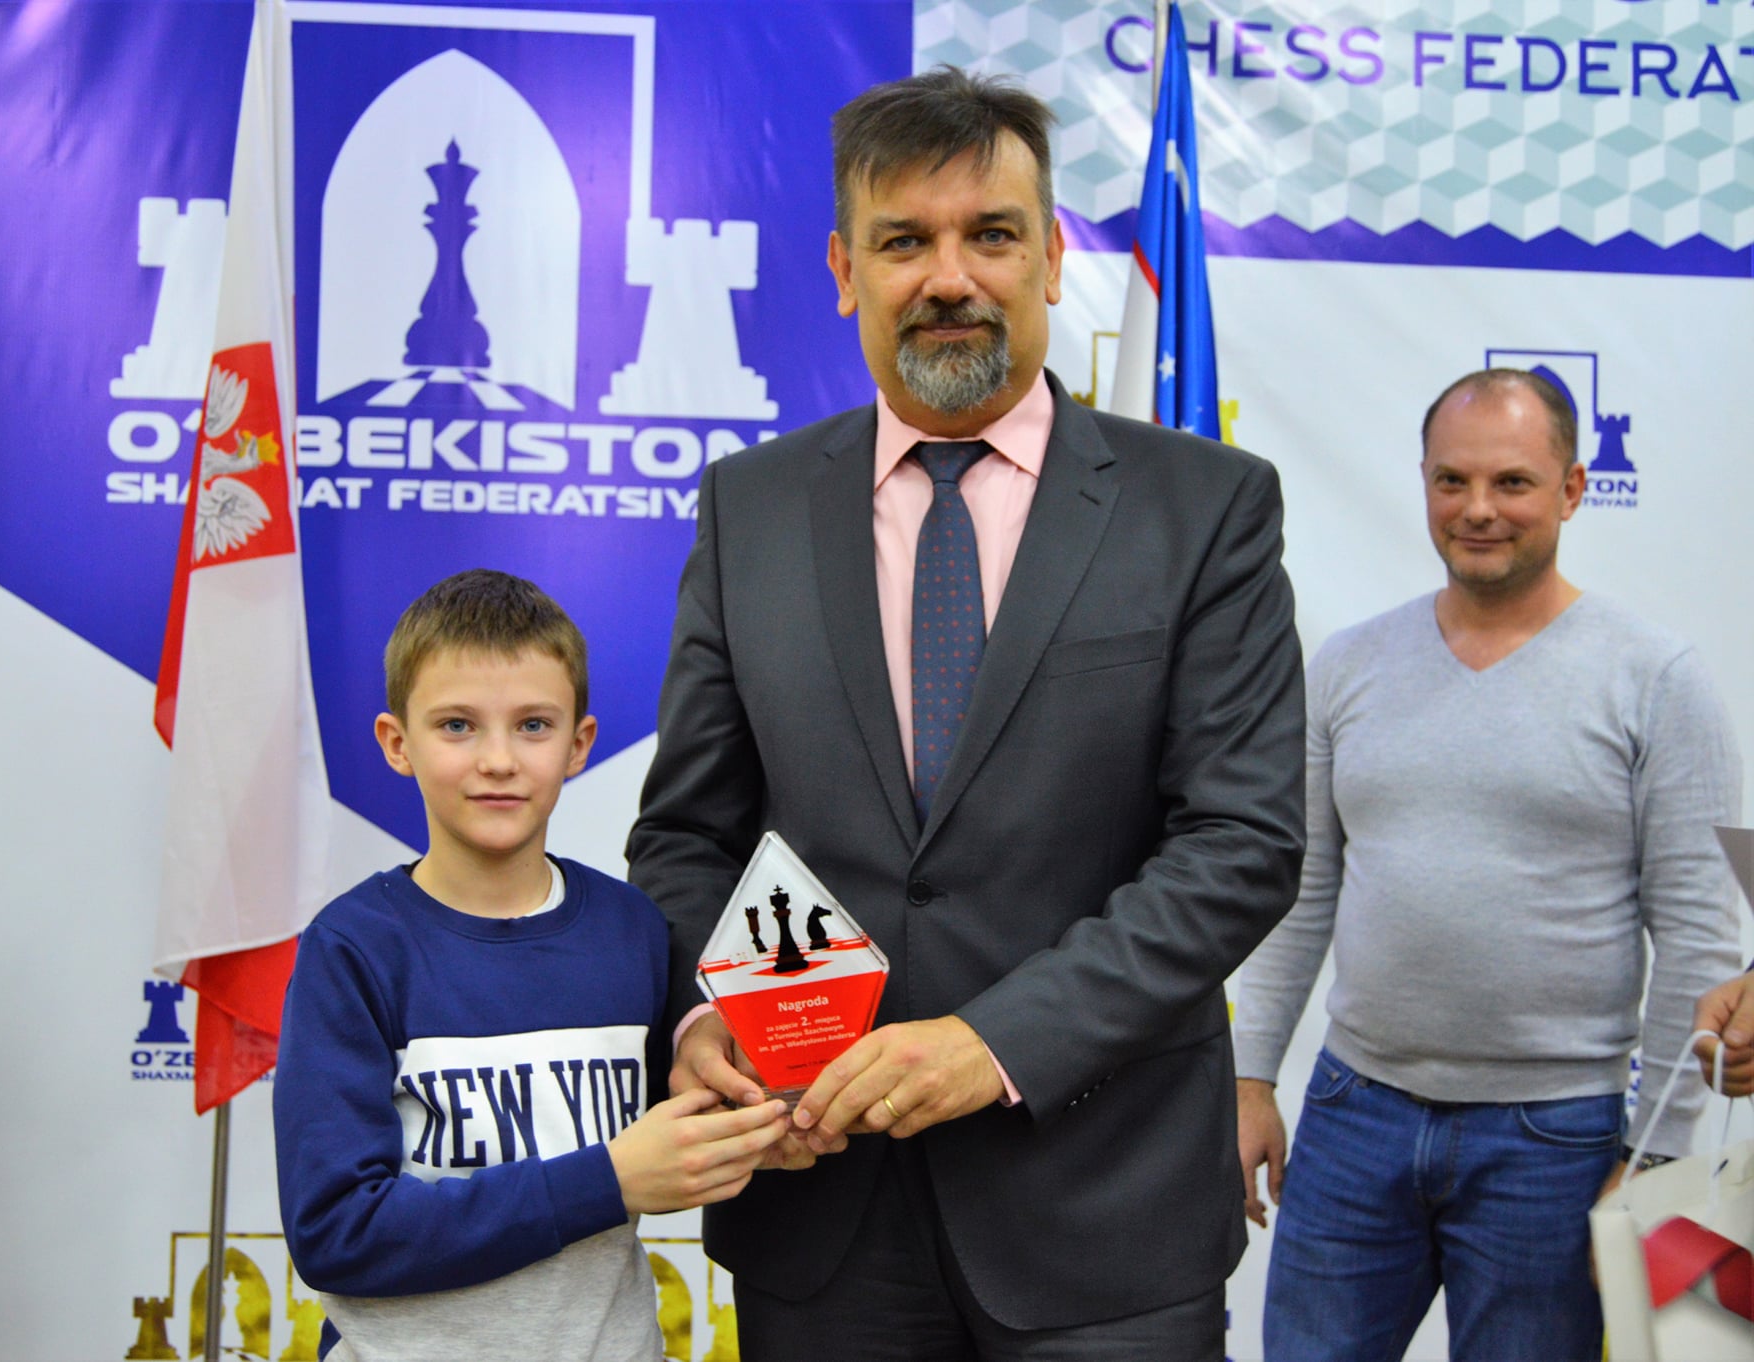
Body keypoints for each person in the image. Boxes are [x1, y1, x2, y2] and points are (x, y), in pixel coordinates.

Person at [627, 67, 1306, 1359]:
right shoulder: (749, 508)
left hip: (1104, 1217)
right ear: (844, 271)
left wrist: (992, 1044)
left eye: (990, 234)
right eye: (903, 242)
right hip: (817, 1207)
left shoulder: (1204, 508)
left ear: (1050, 257)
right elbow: (687, 836)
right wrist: (715, 1015)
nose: (949, 278)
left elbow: (1239, 845)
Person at [1231, 368, 1743, 1362]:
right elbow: (1300, 891)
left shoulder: (1657, 680)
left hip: (1555, 1143)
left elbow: (1696, 933)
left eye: (1511, 482)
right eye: (1451, 481)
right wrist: (1251, 1077)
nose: (1477, 509)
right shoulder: (1347, 664)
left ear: (1572, 489)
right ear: (1422, 482)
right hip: (1351, 1117)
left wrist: (1657, 1155)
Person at [273, 570, 790, 1362]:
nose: (498, 760)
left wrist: (761, 1127)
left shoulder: (633, 930)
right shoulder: (353, 948)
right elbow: (336, 1233)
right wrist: (606, 1183)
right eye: (457, 725)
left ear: (579, 743)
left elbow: (668, 1137)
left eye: (533, 726)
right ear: (396, 743)